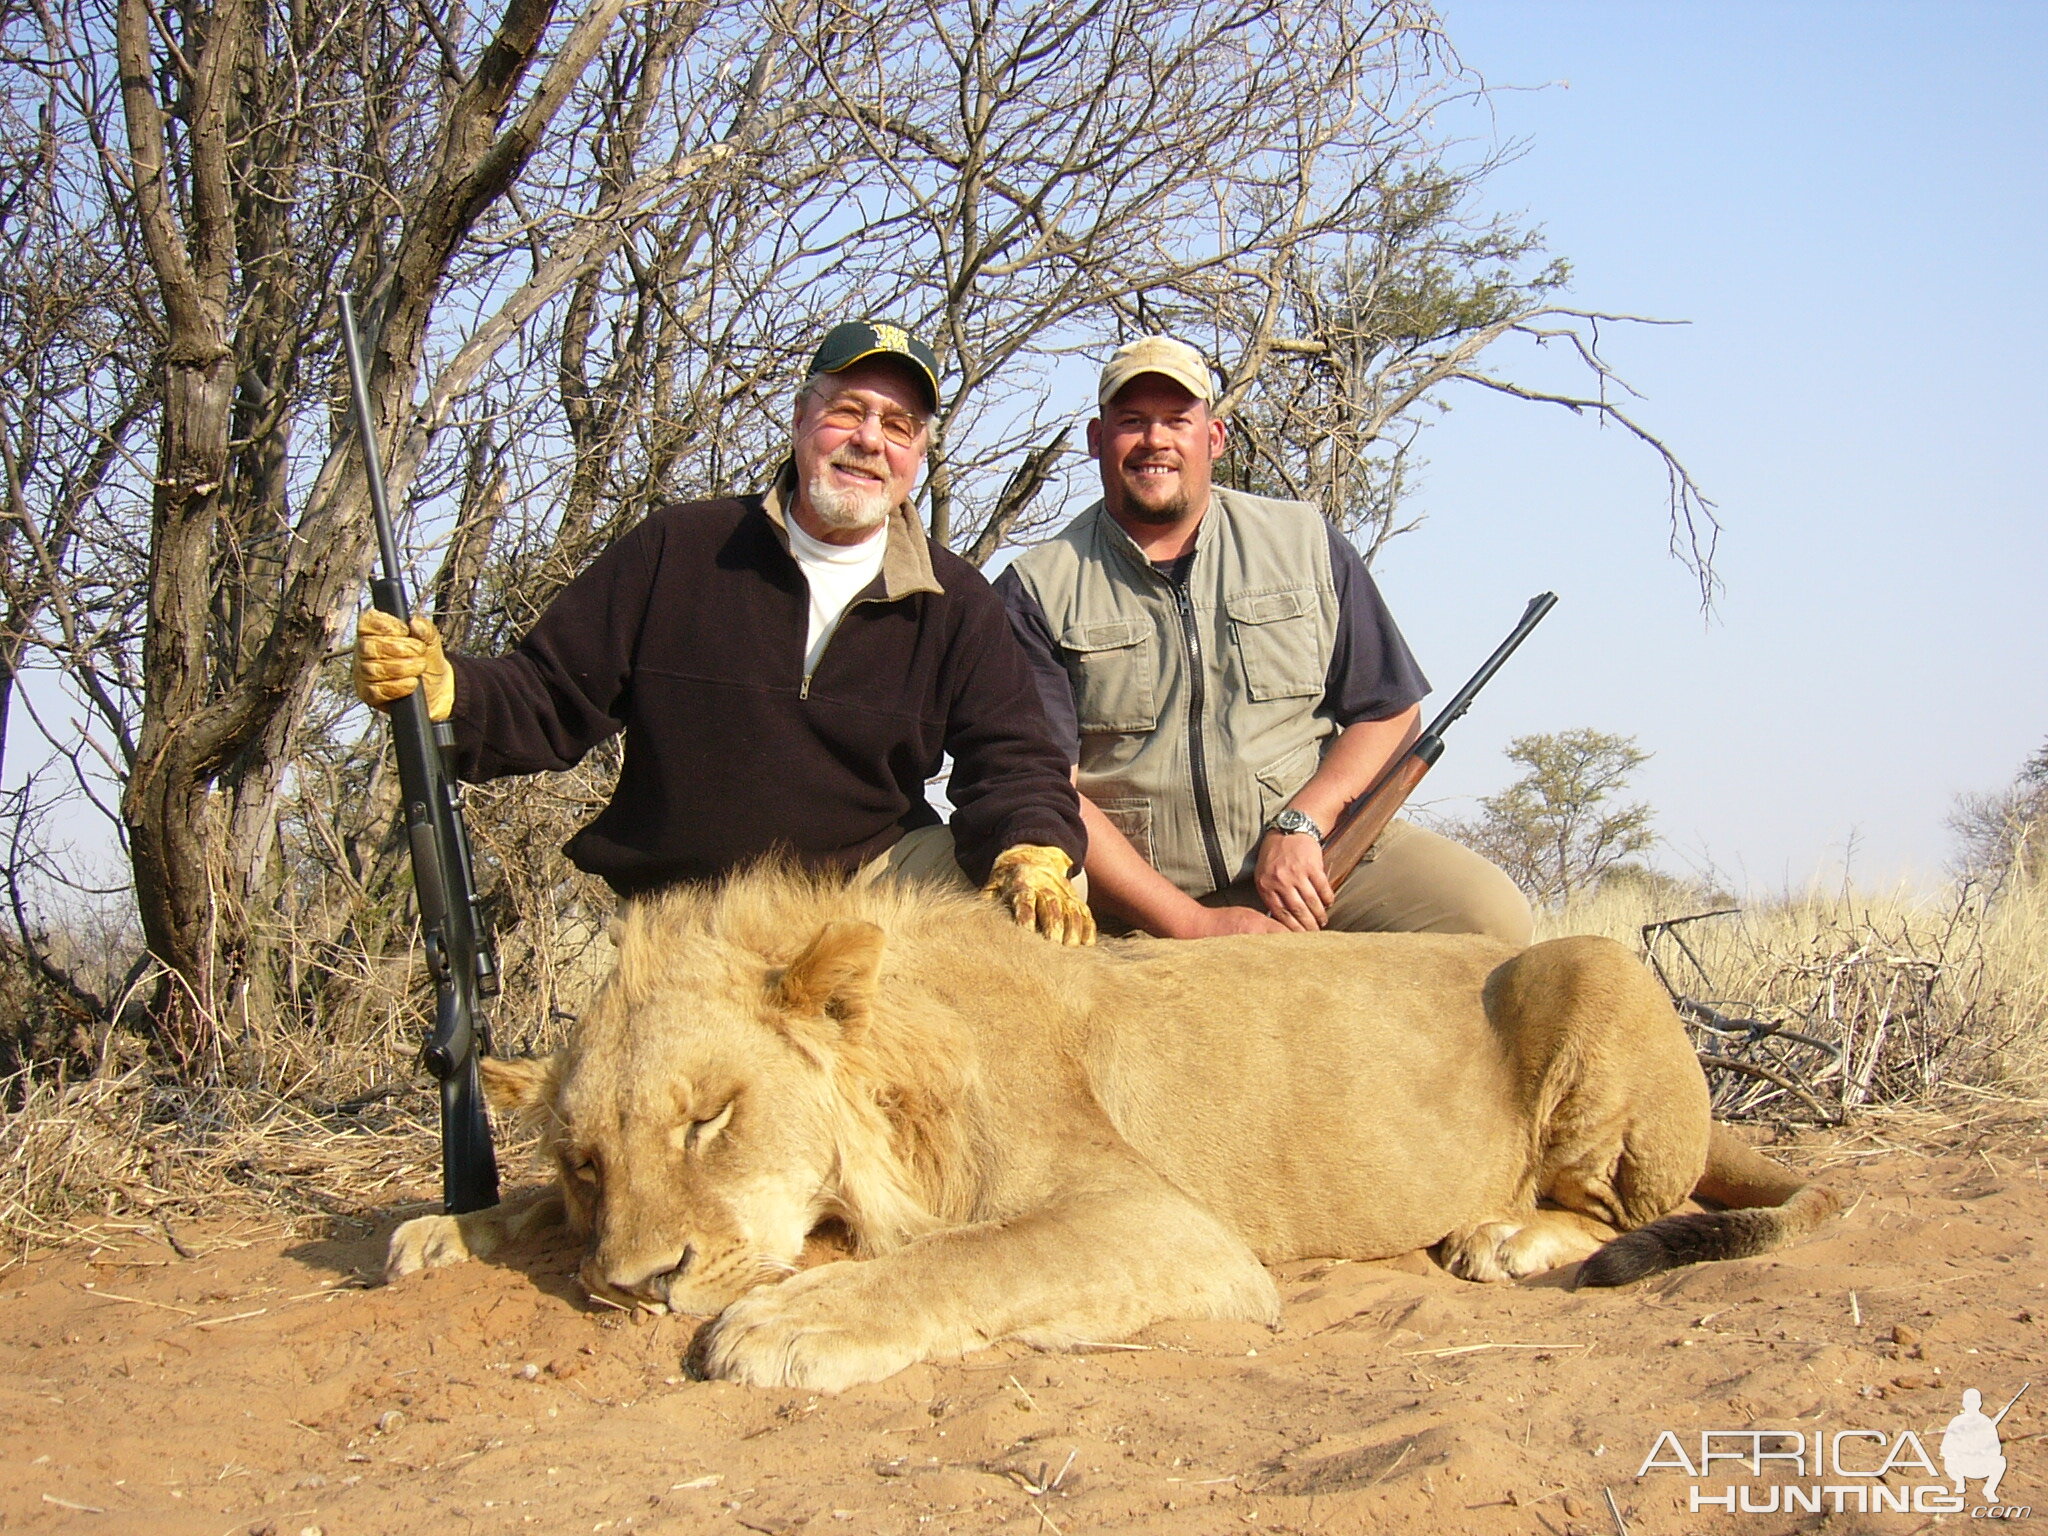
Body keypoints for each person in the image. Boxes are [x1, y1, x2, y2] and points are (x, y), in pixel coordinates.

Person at [353, 319, 1093, 944]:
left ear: (918, 457)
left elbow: (1015, 760)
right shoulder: (679, 547)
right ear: (803, 418)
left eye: (898, 426)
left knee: (1033, 901)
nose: (870, 441)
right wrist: (449, 689)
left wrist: (1032, 851)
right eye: (847, 412)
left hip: (863, 903)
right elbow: (546, 695)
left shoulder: (955, 599)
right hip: (688, 914)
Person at [994, 335, 1530, 944]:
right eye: (1133, 421)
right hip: (1142, 893)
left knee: (1489, 918)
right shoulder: (1035, 587)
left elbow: (1391, 710)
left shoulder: (1302, 540)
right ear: (1097, 439)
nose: (1155, 441)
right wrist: (1190, 922)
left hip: (1307, 860)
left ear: (1214, 438)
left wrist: (1307, 821)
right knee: (1022, 932)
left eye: (1178, 421)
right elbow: (1047, 784)